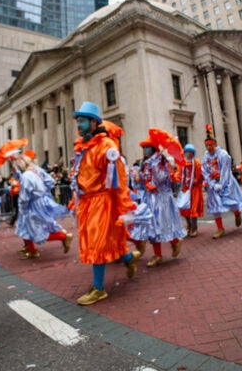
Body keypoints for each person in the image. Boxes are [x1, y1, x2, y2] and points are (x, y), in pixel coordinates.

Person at [70, 101, 141, 305]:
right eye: (77, 121)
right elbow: (79, 175)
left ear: (94, 122)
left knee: (97, 243)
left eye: (82, 120)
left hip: (102, 201)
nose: (79, 125)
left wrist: (125, 207)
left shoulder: (107, 147)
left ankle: (99, 288)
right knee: (101, 242)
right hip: (86, 201)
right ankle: (130, 258)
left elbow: (119, 179)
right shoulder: (82, 146)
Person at [137, 130, 186, 267]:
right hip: (150, 198)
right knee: (152, 226)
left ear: (153, 148)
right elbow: (144, 182)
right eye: (144, 147)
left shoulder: (160, 161)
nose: (145, 150)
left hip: (161, 198)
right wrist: (138, 176)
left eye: (147, 147)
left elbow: (162, 178)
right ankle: (158, 255)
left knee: (163, 224)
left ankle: (175, 242)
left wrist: (155, 168)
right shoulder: (146, 163)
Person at [201, 124, 242, 239]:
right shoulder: (205, 157)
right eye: (206, 145)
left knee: (230, 202)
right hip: (213, 184)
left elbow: (225, 171)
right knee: (215, 205)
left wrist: (221, 184)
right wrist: (212, 184)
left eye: (210, 145)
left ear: (215, 144)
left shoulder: (223, 155)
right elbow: (205, 171)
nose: (208, 147)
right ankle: (220, 228)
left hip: (226, 182)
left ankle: (237, 213)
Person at [179, 144, 204, 237]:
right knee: (184, 208)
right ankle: (189, 225)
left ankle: (194, 228)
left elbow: (201, 175)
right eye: (186, 152)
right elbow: (180, 175)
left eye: (189, 152)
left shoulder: (196, 163)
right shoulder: (182, 163)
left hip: (194, 189)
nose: (187, 154)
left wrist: (196, 180)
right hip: (185, 189)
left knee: (193, 209)